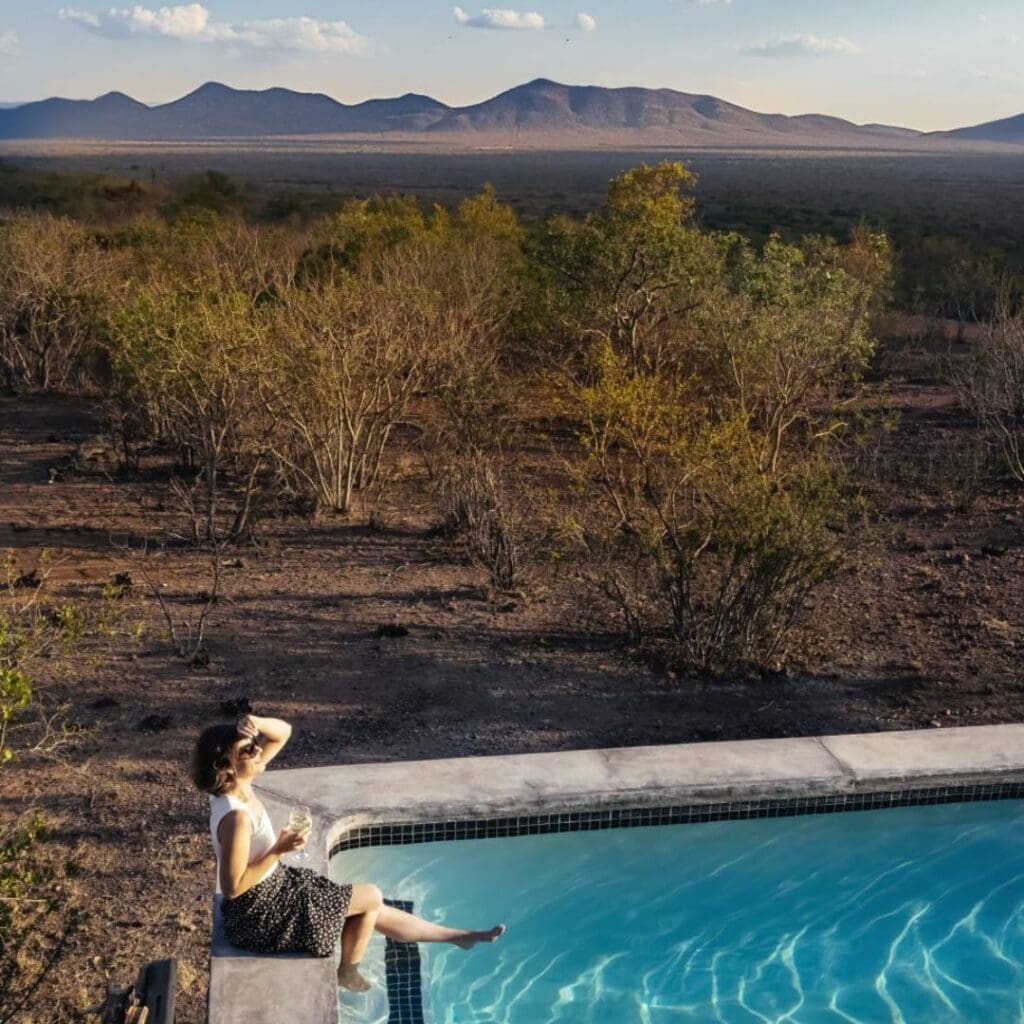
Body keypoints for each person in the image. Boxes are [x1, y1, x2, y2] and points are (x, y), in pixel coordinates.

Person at [192, 714, 505, 992]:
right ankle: (347, 971)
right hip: (260, 915)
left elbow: (283, 732)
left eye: (255, 745)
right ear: (227, 766)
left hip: (274, 891)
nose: (259, 750)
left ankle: (456, 936)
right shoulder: (236, 817)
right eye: (249, 749)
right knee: (370, 897)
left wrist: (255, 722)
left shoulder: (239, 785)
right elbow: (233, 887)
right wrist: (278, 850)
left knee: (370, 908)